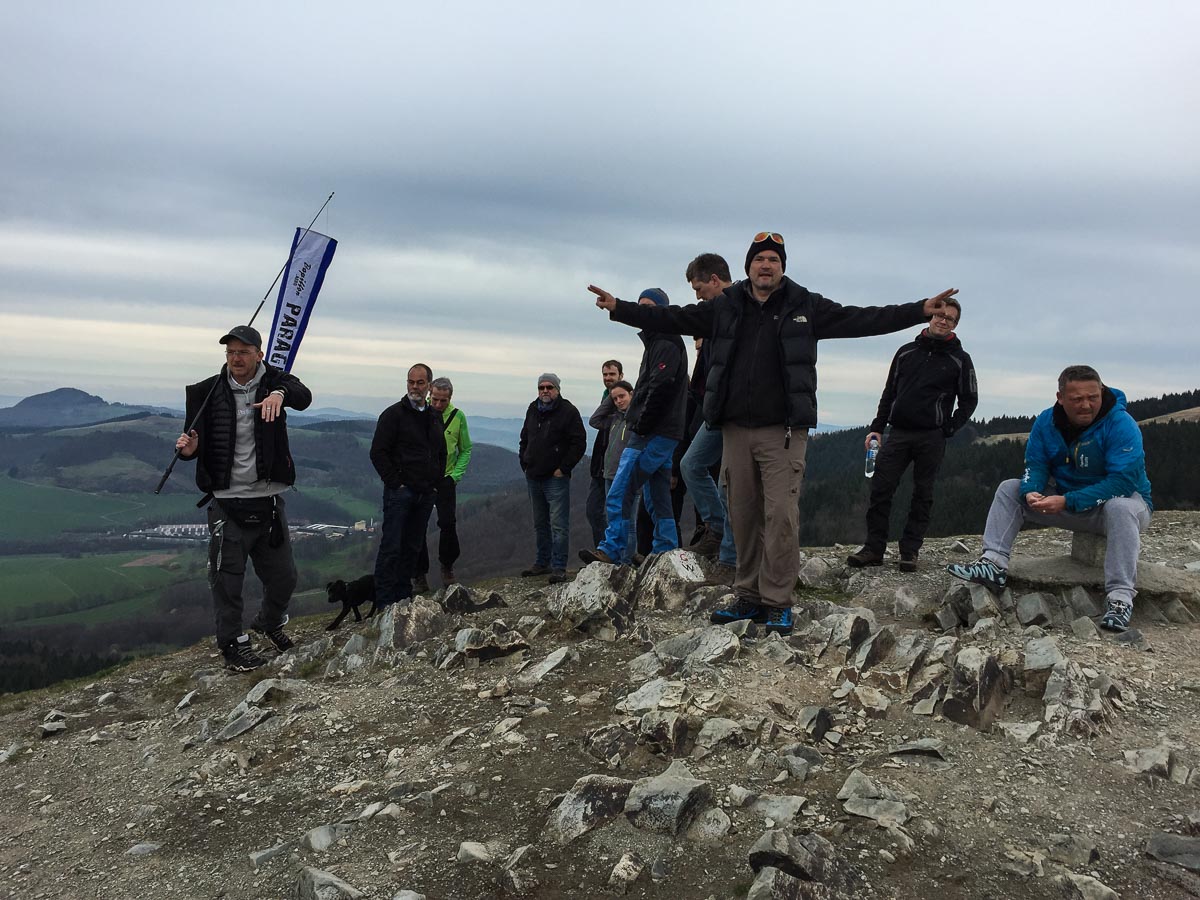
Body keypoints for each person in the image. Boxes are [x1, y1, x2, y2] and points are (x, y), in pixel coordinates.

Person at [589, 231, 957, 634]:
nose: (766, 265)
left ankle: (778, 600)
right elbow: (671, 317)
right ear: (748, 266)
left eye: (774, 260)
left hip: (783, 432)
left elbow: (862, 318)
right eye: (759, 259)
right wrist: (620, 308)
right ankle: (748, 594)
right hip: (734, 430)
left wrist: (918, 311)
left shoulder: (804, 305)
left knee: (780, 516)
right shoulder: (726, 305)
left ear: (782, 267)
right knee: (743, 515)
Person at [947, 365, 1152, 632]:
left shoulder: (1121, 424)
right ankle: (993, 563)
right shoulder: (1047, 421)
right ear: (1060, 397)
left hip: (1116, 507)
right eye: (1077, 399)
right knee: (1010, 489)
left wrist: (1067, 501)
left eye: (1093, 397)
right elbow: (1036, 464)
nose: (1086, 405)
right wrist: (1031, 490)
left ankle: (1120, 598)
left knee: (1121, 508)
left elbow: (1122, 483)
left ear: (1102, 391)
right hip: (1067, 500)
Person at [176, 324, 312, 671]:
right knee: (227, 582)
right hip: (226, 501)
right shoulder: (206, 391)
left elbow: (303, 396)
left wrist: (279, 394)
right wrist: (190, 450)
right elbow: (193, 443)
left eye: (243, 352)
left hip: (268, 501)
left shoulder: (276, 381)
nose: (236, 358)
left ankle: (268, 622)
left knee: (284, 578)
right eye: (230, 352)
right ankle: (233, 646)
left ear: (259, 355)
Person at [847, 296, 977, 572]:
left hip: (932, 437)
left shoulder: (960, 360)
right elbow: (889, 392)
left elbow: (969, 400)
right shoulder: (906, 352)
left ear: (956, 325)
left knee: (923, 494)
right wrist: (877, 428)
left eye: (950, 318)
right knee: (881, 489)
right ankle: (873, 549)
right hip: (899, 432)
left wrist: (948, 428)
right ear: (931, 316)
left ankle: (910, 551)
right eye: (940, 315)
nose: (943, 320)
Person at [580, 289, 689, 566]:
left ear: (663, 310)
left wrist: (640, 425)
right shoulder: (659, 341)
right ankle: (666, 551)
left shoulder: (664, 342)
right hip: (666, 433)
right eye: (641, 306)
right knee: (657, 494)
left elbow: (660, 388)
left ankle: (612, 549)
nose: (644, 311)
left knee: (622, 488)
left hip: (652, 432)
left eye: (650, 306)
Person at [677, 253, 736, 576]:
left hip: (737, 412)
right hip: (714, 411)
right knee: (691, 464)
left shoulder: (738, 309)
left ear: (714, 280)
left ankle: (731, 559)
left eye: (699, 289)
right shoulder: (712, 317)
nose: (698, 296)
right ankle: (717, 528)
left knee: (730, 482)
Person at [369, 364, 447, 607]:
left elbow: (440, 452)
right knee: (391, 547)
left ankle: (403, 598)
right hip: (400, 494)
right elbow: (378, 452)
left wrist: (435, 484)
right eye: (411, 382)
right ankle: (384, 603)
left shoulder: (434, 416)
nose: (415, 387)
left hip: (425, 494)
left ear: (429, 386)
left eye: (420, 383)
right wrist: (396, 483)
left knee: (412, 548)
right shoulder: (393, 415)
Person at [518, 373, 587, 584]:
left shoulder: (568, 411)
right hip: (533, 475)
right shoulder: (533, 409)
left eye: (549, 387)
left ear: (557, 389)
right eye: (541, 387)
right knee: (540, 523)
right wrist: (524, 462)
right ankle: (542, 563)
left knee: (558, 525)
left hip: (555, 478)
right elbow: (524, 437)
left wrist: (563, 468)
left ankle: (559, 567)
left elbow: (579, 442)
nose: (545, 391)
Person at [414, 376, 472, 590]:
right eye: (435, 399)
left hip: (446, 479)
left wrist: (454, 476)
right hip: (421, 479)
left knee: (447, 524)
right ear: (430, 394)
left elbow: (465, 449)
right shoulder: (419, 413)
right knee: (417, 526)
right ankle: (419, 574)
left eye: (443, 401)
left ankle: (447, 566)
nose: (438, 404)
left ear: (450, 398)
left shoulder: (458, 417)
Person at [586, 360, 624, 546]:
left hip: (616, 466)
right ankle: (603, 550)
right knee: (593, 511)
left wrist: (614, 394)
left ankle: (614, 552)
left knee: (616, 513)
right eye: (605, 374)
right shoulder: (606, 398)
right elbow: (595, 422)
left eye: (612, 374)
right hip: (600, 465)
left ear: (621, 376)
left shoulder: (622, 402)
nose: (608, 378)